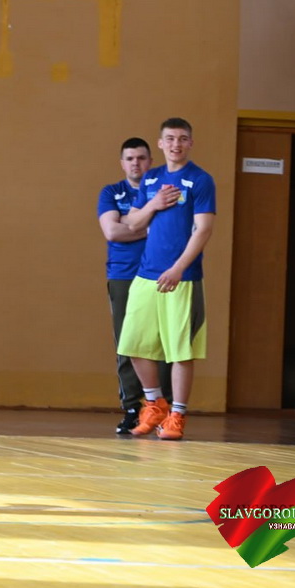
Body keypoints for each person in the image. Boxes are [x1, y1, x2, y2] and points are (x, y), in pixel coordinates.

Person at [118, 118, 215, 441]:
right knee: (133, 344)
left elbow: (203, 229)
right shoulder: (151, 178)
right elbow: (133, 223)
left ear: (191, 143)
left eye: (182, 138)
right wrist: (153, 204)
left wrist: (178, 268)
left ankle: (177, 415)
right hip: (146, 274)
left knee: (180, 351)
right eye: (170, 139)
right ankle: (155, 403)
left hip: (182, 278)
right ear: (160, 143)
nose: (176, 144)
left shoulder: (200, 179)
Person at [97, 138, 171, 434]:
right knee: (127, 343)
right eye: (130, 158)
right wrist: (150, 222)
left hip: (160, 275)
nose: (136, 163)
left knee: (163, 343)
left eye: (141, 158)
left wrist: (132, 223)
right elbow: (113, 232)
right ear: (122, 163)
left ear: (150, 161)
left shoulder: (165, 190)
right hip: (123, 274)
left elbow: (172, 231)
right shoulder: (112, 192)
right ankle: (132, 407)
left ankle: (162, 408)